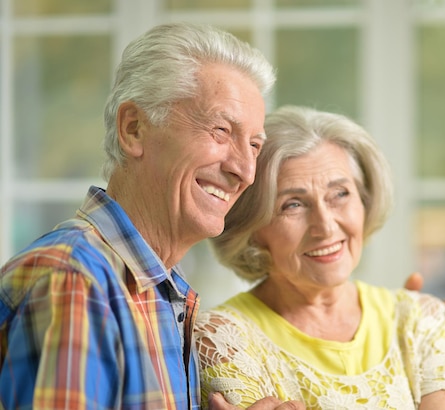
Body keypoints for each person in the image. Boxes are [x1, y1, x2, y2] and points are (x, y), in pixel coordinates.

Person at [0, 22, 280, 409]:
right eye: (220, 130)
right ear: (133, 129)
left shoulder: (162, 289)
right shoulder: (76, 281)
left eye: (253, 145)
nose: (245, 171)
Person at [195, 105, 445, 409]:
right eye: (293, 205)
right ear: (251, 228)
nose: (326, 226)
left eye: (340, 194)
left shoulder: (422, 320)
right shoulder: (220, 339)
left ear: (365, 202)